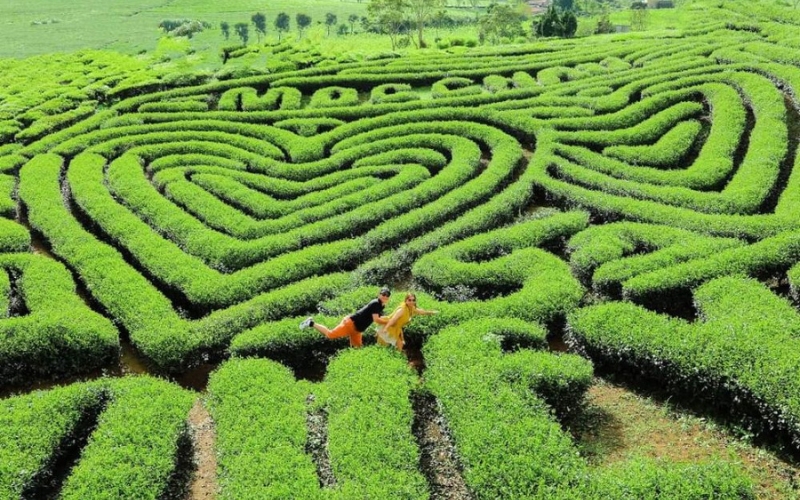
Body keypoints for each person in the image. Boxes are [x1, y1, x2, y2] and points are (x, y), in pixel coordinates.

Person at [299, 288, 391, 348]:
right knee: (330, 334)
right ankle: (311, 323)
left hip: (357, 330)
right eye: (383, 294)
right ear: (379, 294)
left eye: (387, 295)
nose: (385, 297)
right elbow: (376, 319)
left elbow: (380, 318)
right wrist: (389, 322)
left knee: (357, 348)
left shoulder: (381, 306)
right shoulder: (375, 303)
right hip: (350, 324)